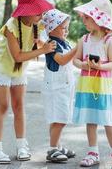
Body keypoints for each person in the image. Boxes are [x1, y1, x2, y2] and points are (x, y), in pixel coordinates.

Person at [0, 0, 56, 164]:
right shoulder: (11, 27)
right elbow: (17, 55)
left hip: (19, 68)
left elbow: (54, 17)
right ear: (25, 12)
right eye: (36, 11)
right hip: (2, 66)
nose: (40, 14)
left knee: (19, 106)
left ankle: (21, 145)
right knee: (3, 106)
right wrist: (42, 50)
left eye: (41, 11)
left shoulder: (37, 22)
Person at [72, 0, 112, 167]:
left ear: (99, 19)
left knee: (108, 120)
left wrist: (100, 67)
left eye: (87, 18)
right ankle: (92, 152)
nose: (83, 20)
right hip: (87, 86)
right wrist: (83, 64)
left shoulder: (108, 41)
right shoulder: (84, 39)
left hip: (103, 87)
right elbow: (75, 60)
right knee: (91, 119)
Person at [41, 9, 77, 163]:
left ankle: (57, 145)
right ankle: (52, 149)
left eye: (67, 27)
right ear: (53, 29)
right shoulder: (52, 44)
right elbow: (62, 60)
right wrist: (77, 48)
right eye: (63, 28)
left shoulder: (65, 43)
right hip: (56, 88)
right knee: (60, 119)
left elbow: (71, 60)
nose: (67, 31)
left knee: (60, 117)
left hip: (65, 87)